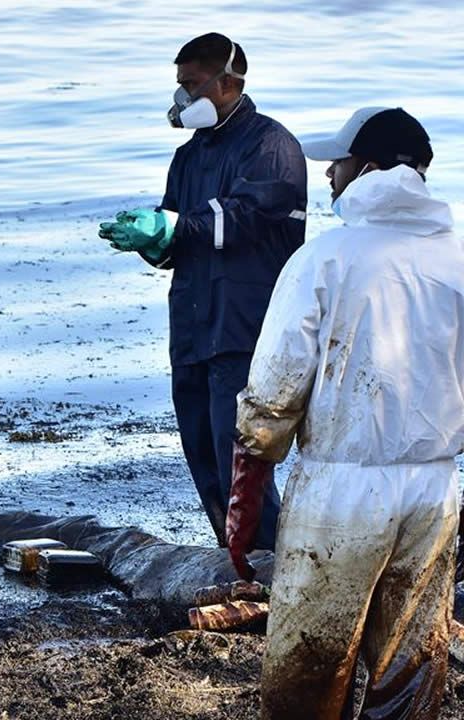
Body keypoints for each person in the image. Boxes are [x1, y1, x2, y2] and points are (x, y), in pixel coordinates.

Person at [228, 108, 463, 720]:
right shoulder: (457, 259)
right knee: (410, 667)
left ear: (370, 168)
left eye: (338, 162)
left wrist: (250, 475)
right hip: (435, 489)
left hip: (342, 488)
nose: (329, 174)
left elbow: (276, 387)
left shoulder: (325, 258)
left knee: (310, 659)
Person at [97, 33, 306, 551]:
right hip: (192, 328)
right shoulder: (188, 158)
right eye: (180, 87)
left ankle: (266, 566)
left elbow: (242, 219)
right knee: (204, 455)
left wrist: (172, 226)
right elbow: (180, 240)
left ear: (228, 82)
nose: (181, 100)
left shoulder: (271, 146)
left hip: (243, 330)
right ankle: (233, 559)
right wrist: (149, 239)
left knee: (241, 460)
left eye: (190, 86)